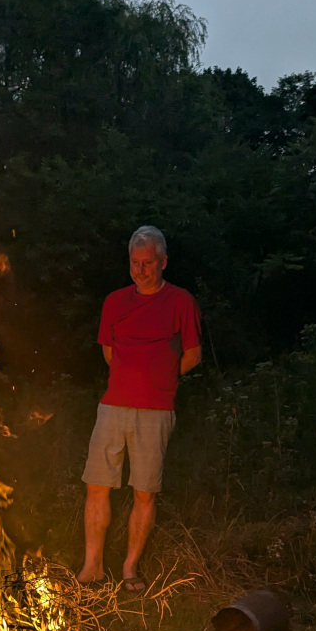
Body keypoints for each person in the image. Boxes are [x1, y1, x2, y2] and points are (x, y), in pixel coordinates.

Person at [77, 225, 202, 590]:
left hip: (156, 409)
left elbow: (192, 354)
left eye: (148, 263)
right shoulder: (115, 302)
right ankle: (92, 566)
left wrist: (161, 378)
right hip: (113, 405)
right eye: (135, 263)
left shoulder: (181, 301)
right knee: (97, 484)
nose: (141, 270)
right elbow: (108, 351)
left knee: (144, 491)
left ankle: (130, 568)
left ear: (163, 262)